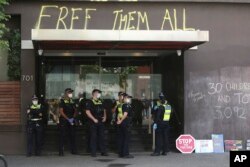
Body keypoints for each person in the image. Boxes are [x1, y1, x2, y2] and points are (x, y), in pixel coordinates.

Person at [85, 89, 108, 157]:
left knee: (102, 136)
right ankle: (93, 152)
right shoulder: (89, 101)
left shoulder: (100, 101)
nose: (99, 94)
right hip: (93, 121)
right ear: (94, 94)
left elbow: (104, 109)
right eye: (98, 93)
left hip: (100, 121)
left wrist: (105, 117)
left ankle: (103, 151)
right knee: (93, 137)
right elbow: (87, 112)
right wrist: (94, 119)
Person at [151, 92, 172, 156]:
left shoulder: (160, 107)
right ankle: (164, 151)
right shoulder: (168, 105)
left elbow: (157, 115)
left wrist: (155, 123)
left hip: (160, 123)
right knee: (165, 137)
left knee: (159, 137)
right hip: (166, 123)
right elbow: (171, 114)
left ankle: (157, 151)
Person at [58, 88, 77, 156]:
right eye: (69, 92)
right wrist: (68, 118)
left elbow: (75, 110)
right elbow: (61, 111)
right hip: (64, 120)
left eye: (71, 92)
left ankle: (73, 150)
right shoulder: (62, 101)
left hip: (71, 120)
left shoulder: (72, 101)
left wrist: (73, 118)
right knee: (62, 135)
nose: (71, 94)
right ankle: (61, 151)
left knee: (72, 135)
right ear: (66, 93)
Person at [117, 93, 134, 158]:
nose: (129, 99)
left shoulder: (120, 105)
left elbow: (119, 114)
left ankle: (121, 153)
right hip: (126, 123)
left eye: (129, 98)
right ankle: (126, 154)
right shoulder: (126, 105)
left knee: (122, 138)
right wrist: (120, 121)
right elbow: (125, 114)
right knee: (126, 139)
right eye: (128, 98)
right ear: (124, 98)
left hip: (122, 123)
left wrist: (119, 120)